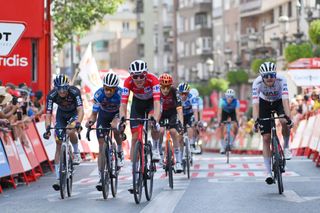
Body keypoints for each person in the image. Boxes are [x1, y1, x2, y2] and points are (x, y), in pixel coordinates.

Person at [252, 61, 293, 185]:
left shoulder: (282, 80)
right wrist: (255, 121)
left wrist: (289, 118)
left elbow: (286, 101)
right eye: (266, 76)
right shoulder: (256, 83)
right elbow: (255, 105)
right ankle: (268, 173)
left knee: (283, 120)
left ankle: (286, 147)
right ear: (262, 77)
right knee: (266, 138)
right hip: (264, 103)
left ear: (275, 74)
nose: (269, 78)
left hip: (279, 101)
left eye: (271, 75)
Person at [42, 74, 84, 191]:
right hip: (61, 115)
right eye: (59, 89)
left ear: (68, 87)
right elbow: (49, 114)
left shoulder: (75, 92)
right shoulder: (51, 95)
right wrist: (47, 128)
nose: (62, 91)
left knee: (71, 131)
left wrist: (78, 123)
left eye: (64, 88)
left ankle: (76, 152)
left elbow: (81, 110)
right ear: (56, 88)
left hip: (74, 114)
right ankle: (58, 178)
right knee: (58, 143)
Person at [85, 72, 124, 191]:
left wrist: (120, 122)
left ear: (115, 88)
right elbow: (94, 114)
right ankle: (101, 176)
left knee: (114, 126)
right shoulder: (98, 94)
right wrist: (90, 122)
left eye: (111, 89)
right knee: (102, 147)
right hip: (103, 115)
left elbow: (123, 112)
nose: (108, 92)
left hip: (117, 114)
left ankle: (119, 150)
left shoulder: (121, 94)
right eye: (106, 88)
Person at [119, 59, 161, 162]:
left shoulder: (153, 80)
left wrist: (156, 119)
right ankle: (134, 168)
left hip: (151, 103)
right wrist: (122, 119)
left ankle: (155, 149)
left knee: (153, 123)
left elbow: (157, 103)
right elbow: (123, 104)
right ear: (131, 76)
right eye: (135, 76)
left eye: (141, 76)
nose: (138, 79)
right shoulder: (127, 82)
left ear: (146, 74)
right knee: (134, 137)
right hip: (138, 104)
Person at [158, 73, 184, 172]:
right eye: (163, 87)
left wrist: (181, 123)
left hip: (172, 113)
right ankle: (159, 153)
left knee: (173, 132)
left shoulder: (175, 92)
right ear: (160, 86)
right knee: (160, 131)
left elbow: (179, 109)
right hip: (160, 112)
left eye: (167, 87)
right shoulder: (156, 92)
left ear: (171, 86)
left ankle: (178, 162)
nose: (165, 90)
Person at [177, 82, 198, 154]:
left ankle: (192, 144)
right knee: (180, 132)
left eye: (185, 94)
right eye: (181, 93)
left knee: (190, 126)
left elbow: (195, 110)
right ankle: (180, 151)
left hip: (189, 114)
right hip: (180, 114)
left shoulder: (192, 97)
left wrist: (196, 121)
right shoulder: (177, 97)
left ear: (188, 93)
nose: (183, 96)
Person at [217, 89, 240, 154]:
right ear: (226, 96)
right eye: (228, 97)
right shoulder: (222, 101)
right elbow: (219, 113)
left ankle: (233, 141)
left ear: (234, 97)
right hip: (224, 113)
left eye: (232, 97)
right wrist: (219, 122)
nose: (230, 98)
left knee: (235, 125)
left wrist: (237, 122)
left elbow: (237, 113)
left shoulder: (236, 101)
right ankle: (222, 145)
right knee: (221, 126)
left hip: (232, 112)